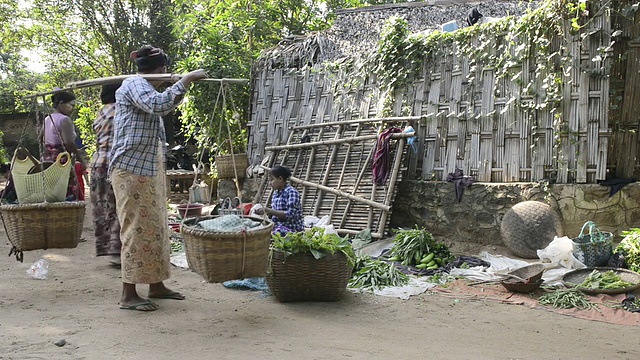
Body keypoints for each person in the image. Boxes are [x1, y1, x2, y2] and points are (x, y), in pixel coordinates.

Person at [109, 45, 208, 312]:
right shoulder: (134, 84)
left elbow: (160, 105)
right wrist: (186, 80)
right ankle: (128, 294)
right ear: (160, 69)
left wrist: (180, 84)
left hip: (147, 169)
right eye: (165, 70)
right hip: (130, 170)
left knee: (155, 227)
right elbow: (158, 105)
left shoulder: (147, 86)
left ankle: (156, 284)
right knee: (135, 228)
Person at [90, 82, 123, 267]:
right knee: (117, 207)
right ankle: (117, 252)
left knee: (101, 206)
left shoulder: (102, 112)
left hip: (97, 163)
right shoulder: (121, 110)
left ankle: (107, 249)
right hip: (114, 164)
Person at [43, 91, 87, 199]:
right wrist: (81, 159)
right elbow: (69, 143)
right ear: (61, 103)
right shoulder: (64, 119)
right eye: (71, 105)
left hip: (47, 159)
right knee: (66, 192)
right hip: (61, 160)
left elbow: (41, 138)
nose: (73, 108)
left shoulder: (47, 119)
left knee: (53, 191)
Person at [255, 165, 304, 234]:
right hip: (278, 226)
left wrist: (268, 210)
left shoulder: (291, 192)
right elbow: (275, 214)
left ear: (280, 179)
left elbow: (290, 215)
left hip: (291, 229)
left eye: (272, 179)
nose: (270, 183)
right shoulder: (276, 193)